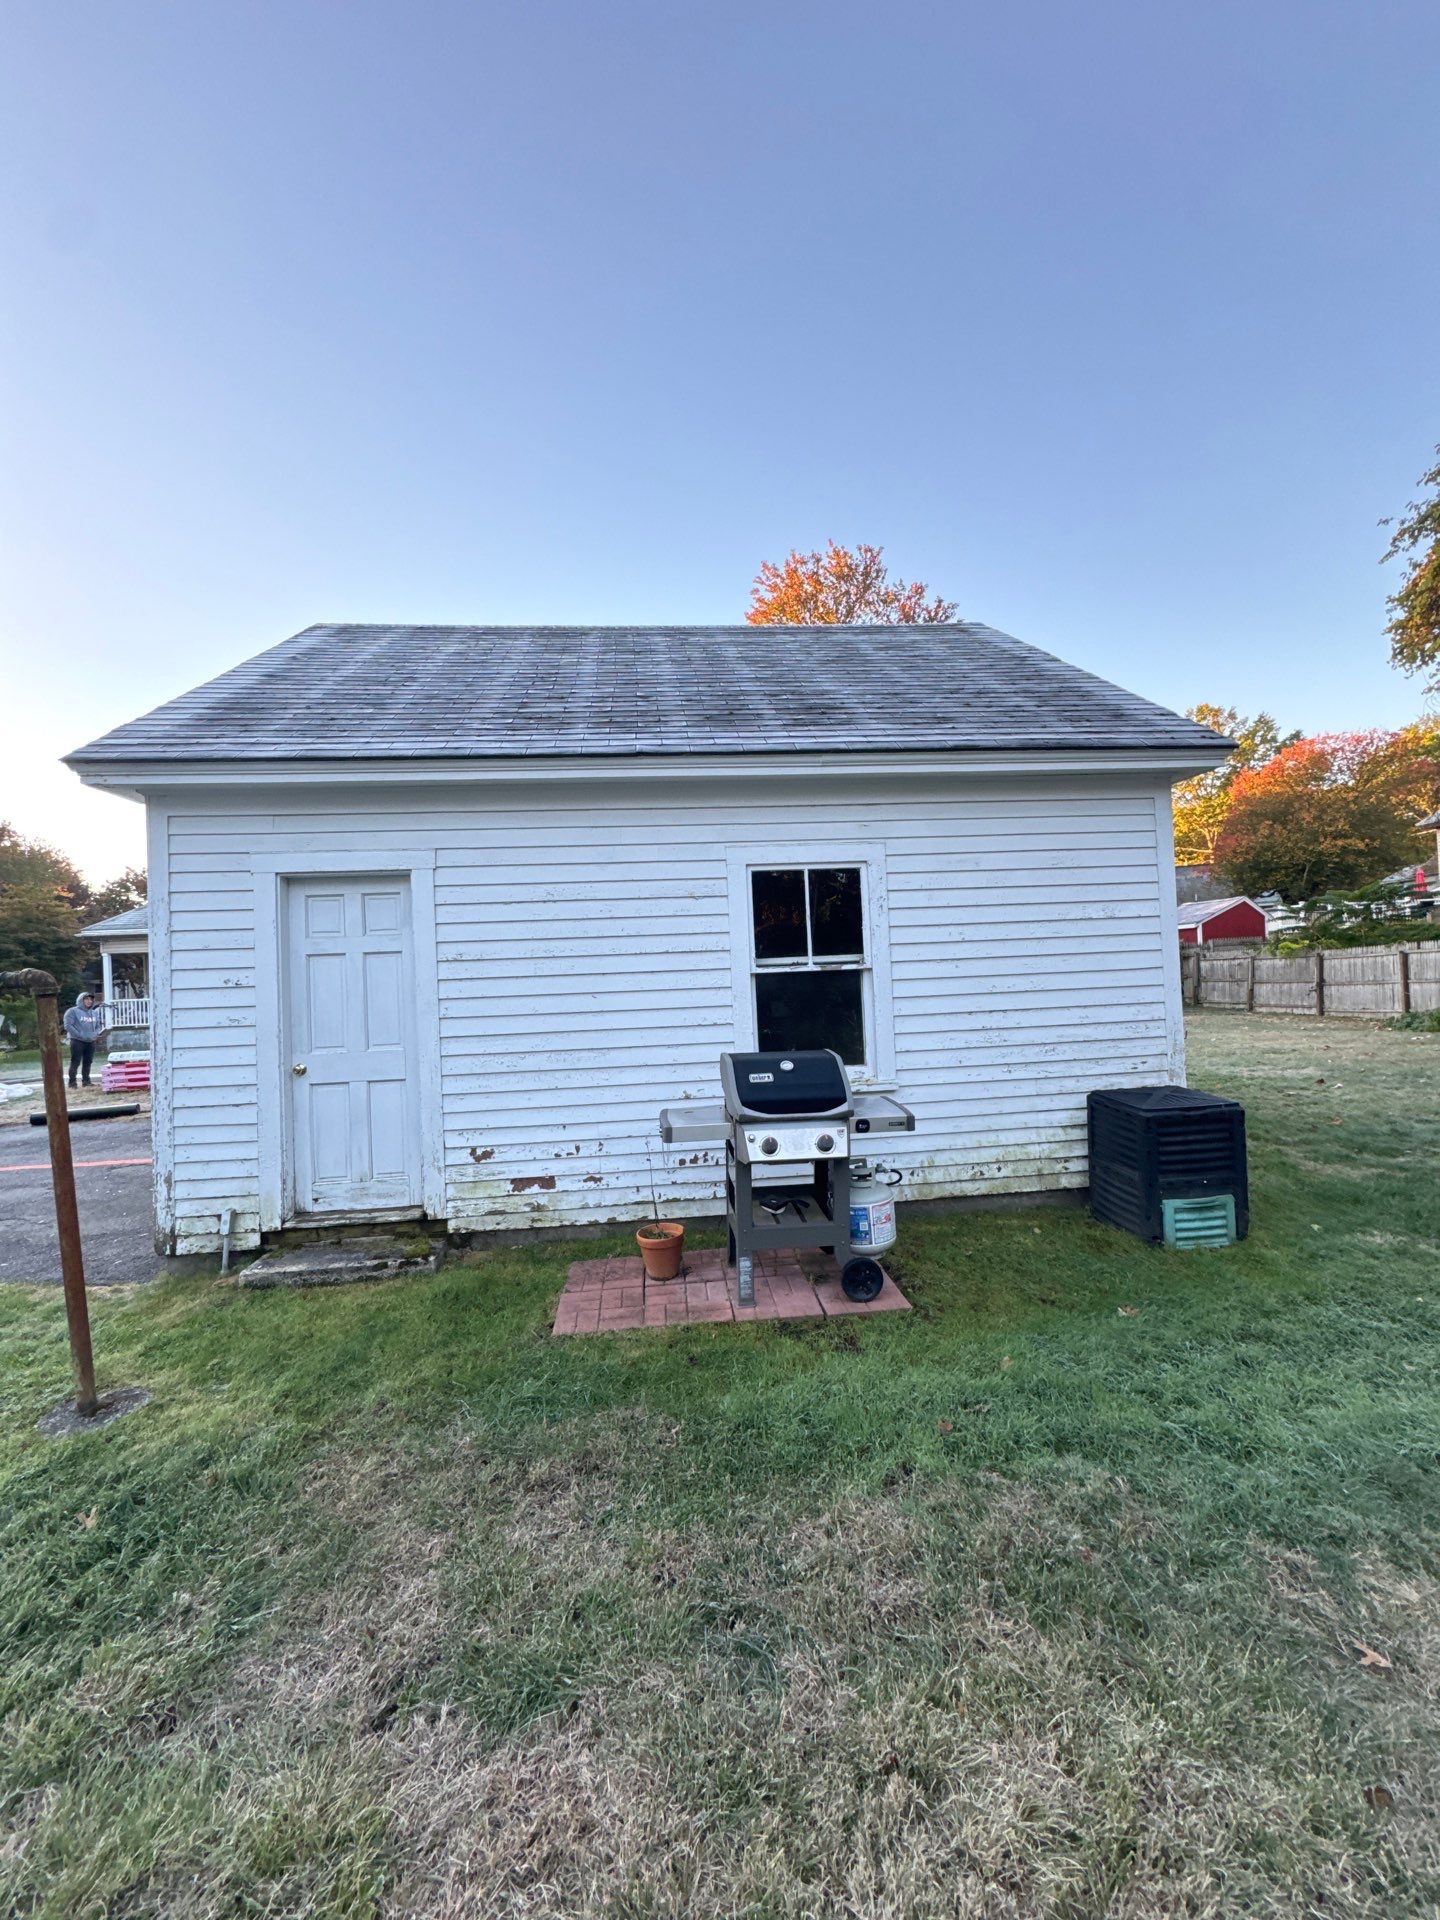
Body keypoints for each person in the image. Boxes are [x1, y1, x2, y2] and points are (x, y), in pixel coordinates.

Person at [63, 991, 106, 1089]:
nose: (89, 1001)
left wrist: (95, 1034)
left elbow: (98, 1026)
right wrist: (79, 1035)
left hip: (90, 1041)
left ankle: (86, 1081)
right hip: (77, 1041)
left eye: (91, 999)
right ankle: (72, 1083)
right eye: (86, 999)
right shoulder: (72, 1011)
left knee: (88, 1062)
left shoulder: (94, 1013)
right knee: (75, 1062)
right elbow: (68, 1025)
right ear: (80, 1000)